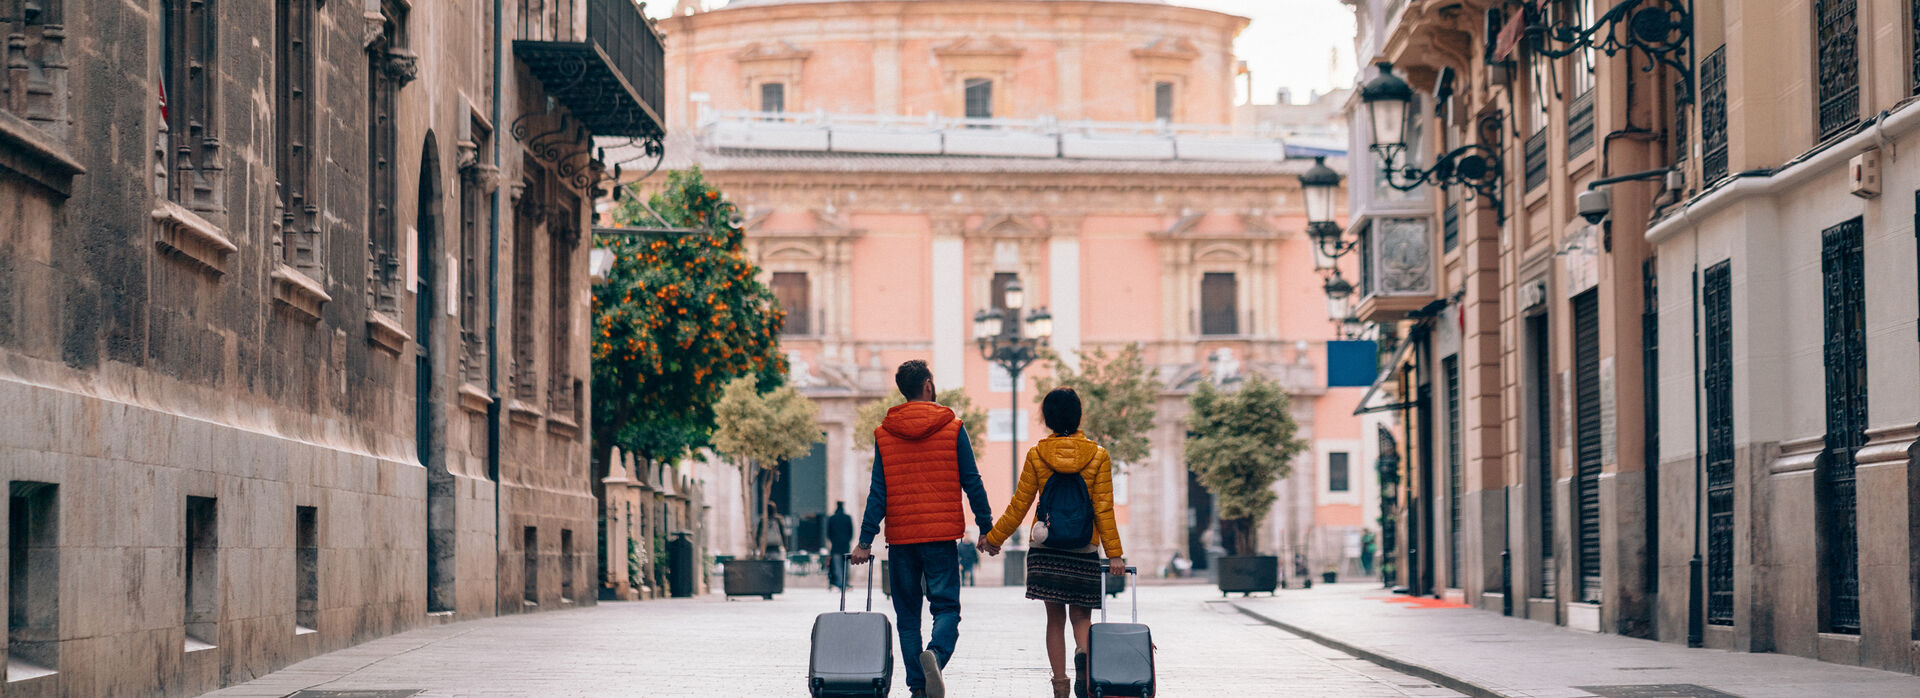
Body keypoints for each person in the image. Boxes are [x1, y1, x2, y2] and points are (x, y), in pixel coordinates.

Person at [851, 360, 994, 698]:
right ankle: (936, 655)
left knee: (907, 617)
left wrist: (865, 541)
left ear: (903, 390)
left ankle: (918, 686)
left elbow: (878, 491)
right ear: (928, 385)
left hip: (902, 538)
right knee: (946, 608)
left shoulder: (885, 433)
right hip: (941, 537)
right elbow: (972, 481)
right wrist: (986, 527)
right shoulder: (952, 428)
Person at [978, 387, 1124, 698]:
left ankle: (1060, 685)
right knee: (1081, 617)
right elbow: (1103, 508)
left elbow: (1020, 505)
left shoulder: (1037, 454)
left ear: (1048, 419)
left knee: (1054, 620)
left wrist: (994, 538)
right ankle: (1084, 654)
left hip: (1046, 549)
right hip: (1084, 548)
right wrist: (1114, 555)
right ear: (1079, 416)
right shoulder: (1098, 455)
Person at [827, 502, 854, 590]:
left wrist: (833, 541)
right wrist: (847, 541)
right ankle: (845, 583)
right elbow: (851, 533)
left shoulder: (832, 518)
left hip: (835, 546)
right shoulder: (847, 518)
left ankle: (840, 583)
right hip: (845, 546)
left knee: (837, 567)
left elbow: (828, 533)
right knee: (846, 566)